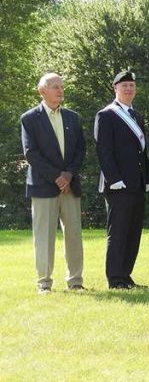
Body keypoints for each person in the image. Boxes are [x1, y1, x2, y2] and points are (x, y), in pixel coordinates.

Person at [20, 73, 87, 294]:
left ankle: (75, 281)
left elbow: (80, 150)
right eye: (55, 86)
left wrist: (68, 174)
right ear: (42, 91)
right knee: (44, 236)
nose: (60, 90)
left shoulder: (72, 117)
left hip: (69, 185)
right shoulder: (29, 119)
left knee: (74, 234)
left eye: (62, 86)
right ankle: (44, 283)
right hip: (43, 185)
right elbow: (31, 154)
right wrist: (56, 176)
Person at [94, 70, 149, 289]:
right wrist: (114, 179)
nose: (129, 89)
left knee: (133, 232)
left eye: (132, 86)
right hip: (118, 185)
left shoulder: (136, 116)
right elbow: (104, 151)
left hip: (136, 183)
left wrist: (146, 177)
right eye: (124, 85)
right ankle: (115, 278)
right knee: (118, 232)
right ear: (115, 88)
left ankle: (126, 276)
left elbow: (141, 152)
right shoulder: (106, 115)